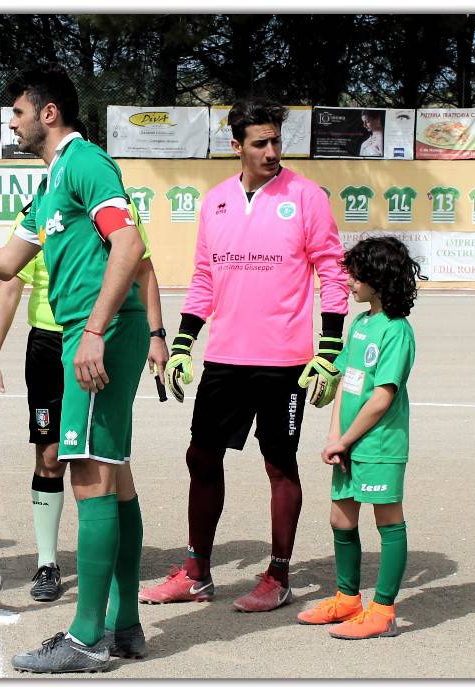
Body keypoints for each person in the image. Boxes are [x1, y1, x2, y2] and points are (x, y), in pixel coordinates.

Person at [0, 67, 149, 674]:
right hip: (87, 330)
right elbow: (3, 262)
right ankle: (124, 626)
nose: (10, 123)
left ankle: (85, 637)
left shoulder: (83, 162)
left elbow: (128, 247)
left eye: (16, 113)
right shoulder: (47, 186)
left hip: (98, 332)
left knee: (88, 474)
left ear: (49, 113)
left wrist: (95, 330)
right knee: (114, 477)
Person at [141, 98, 350, 613]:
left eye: (277, 140)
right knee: (201, 456)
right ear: (236, 146)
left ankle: (278, 576)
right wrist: (186, 340)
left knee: (280, 464)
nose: (272, 151)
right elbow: (205, 278)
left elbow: (332, 272)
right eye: (261, 142)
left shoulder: (305, 197)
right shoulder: (215, 202)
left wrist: (328, 347)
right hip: (227, 359)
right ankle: (196, 572)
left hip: (286, 362)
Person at [0, 200, 167, 604]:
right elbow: (10, 281)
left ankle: (106, 566)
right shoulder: (42, 207)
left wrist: (156, 333)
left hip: (100, 338)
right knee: (49, 456)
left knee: (105, 458)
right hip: (49, 343)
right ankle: (48, 562)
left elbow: (142, 267)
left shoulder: (113, 204)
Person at [296, 236, 421, 639]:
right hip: (348, 442)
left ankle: (383, 611)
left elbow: (382, 397)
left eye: (356, 274)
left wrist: (346, 438)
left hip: (379, 443)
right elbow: (346, 384)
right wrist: (335, 436)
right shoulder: (361, 323)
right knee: (340, 517)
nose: (349, 281)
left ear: (379, 279)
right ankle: (347, 600)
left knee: (388, 519)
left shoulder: (396, 331)